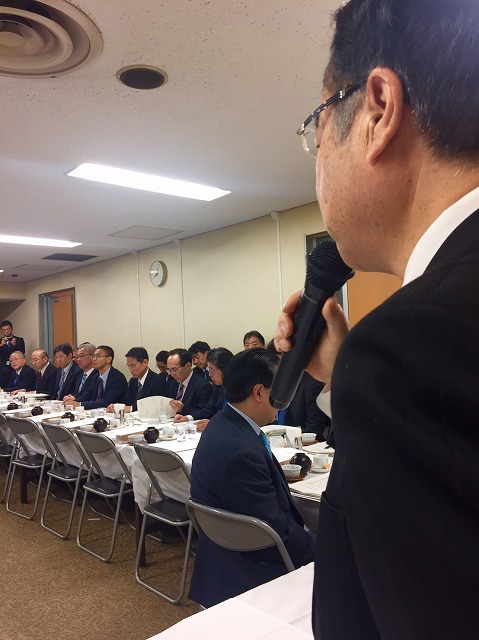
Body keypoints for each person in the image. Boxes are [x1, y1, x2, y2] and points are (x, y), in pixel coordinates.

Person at [275, 1, 479, 638]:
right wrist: (350, 377)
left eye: (316, 131)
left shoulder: (409, 344)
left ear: (379, 110)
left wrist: (370, 371)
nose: (316, 165)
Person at [189, 348, 315, 607]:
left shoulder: (222, 424)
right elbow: (276, 534)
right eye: (280, 390)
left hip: (221, 556)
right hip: (252, 567)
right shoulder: (241, 451)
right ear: (258, 392)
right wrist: (325, 548)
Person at [174, 347, 233, 430]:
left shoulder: (242, 388)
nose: (209, 374)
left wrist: (215, 424)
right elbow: (208, 410)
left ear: (225, 369)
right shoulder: (217, 386)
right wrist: (188, 418)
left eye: (211, 370)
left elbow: (238, 419)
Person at [108, 347, 168, 413]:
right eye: (128, 366)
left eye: (133, 366)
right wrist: (116, 407)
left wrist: (131, 409)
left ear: (145, 362)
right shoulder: (133, 381)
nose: (130, 370)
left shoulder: (158, 381)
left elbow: (154, 406)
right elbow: (127, 402)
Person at [78, 345, 128, 410]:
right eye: (93, 356)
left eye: (98, 356)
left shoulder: (117, 378)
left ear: (108, 359)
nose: (94, 359)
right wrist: (73, 401)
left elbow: (106, 402)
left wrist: (80, 404)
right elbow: (86, 395)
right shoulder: (96, 377)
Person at [167, 348, 212, 416]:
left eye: (175, 369)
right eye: (169, 370)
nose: (172, 374)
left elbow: (205, 413)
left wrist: (183, 409)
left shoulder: (202, 385)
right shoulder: (174, 385)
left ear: (187, 366)